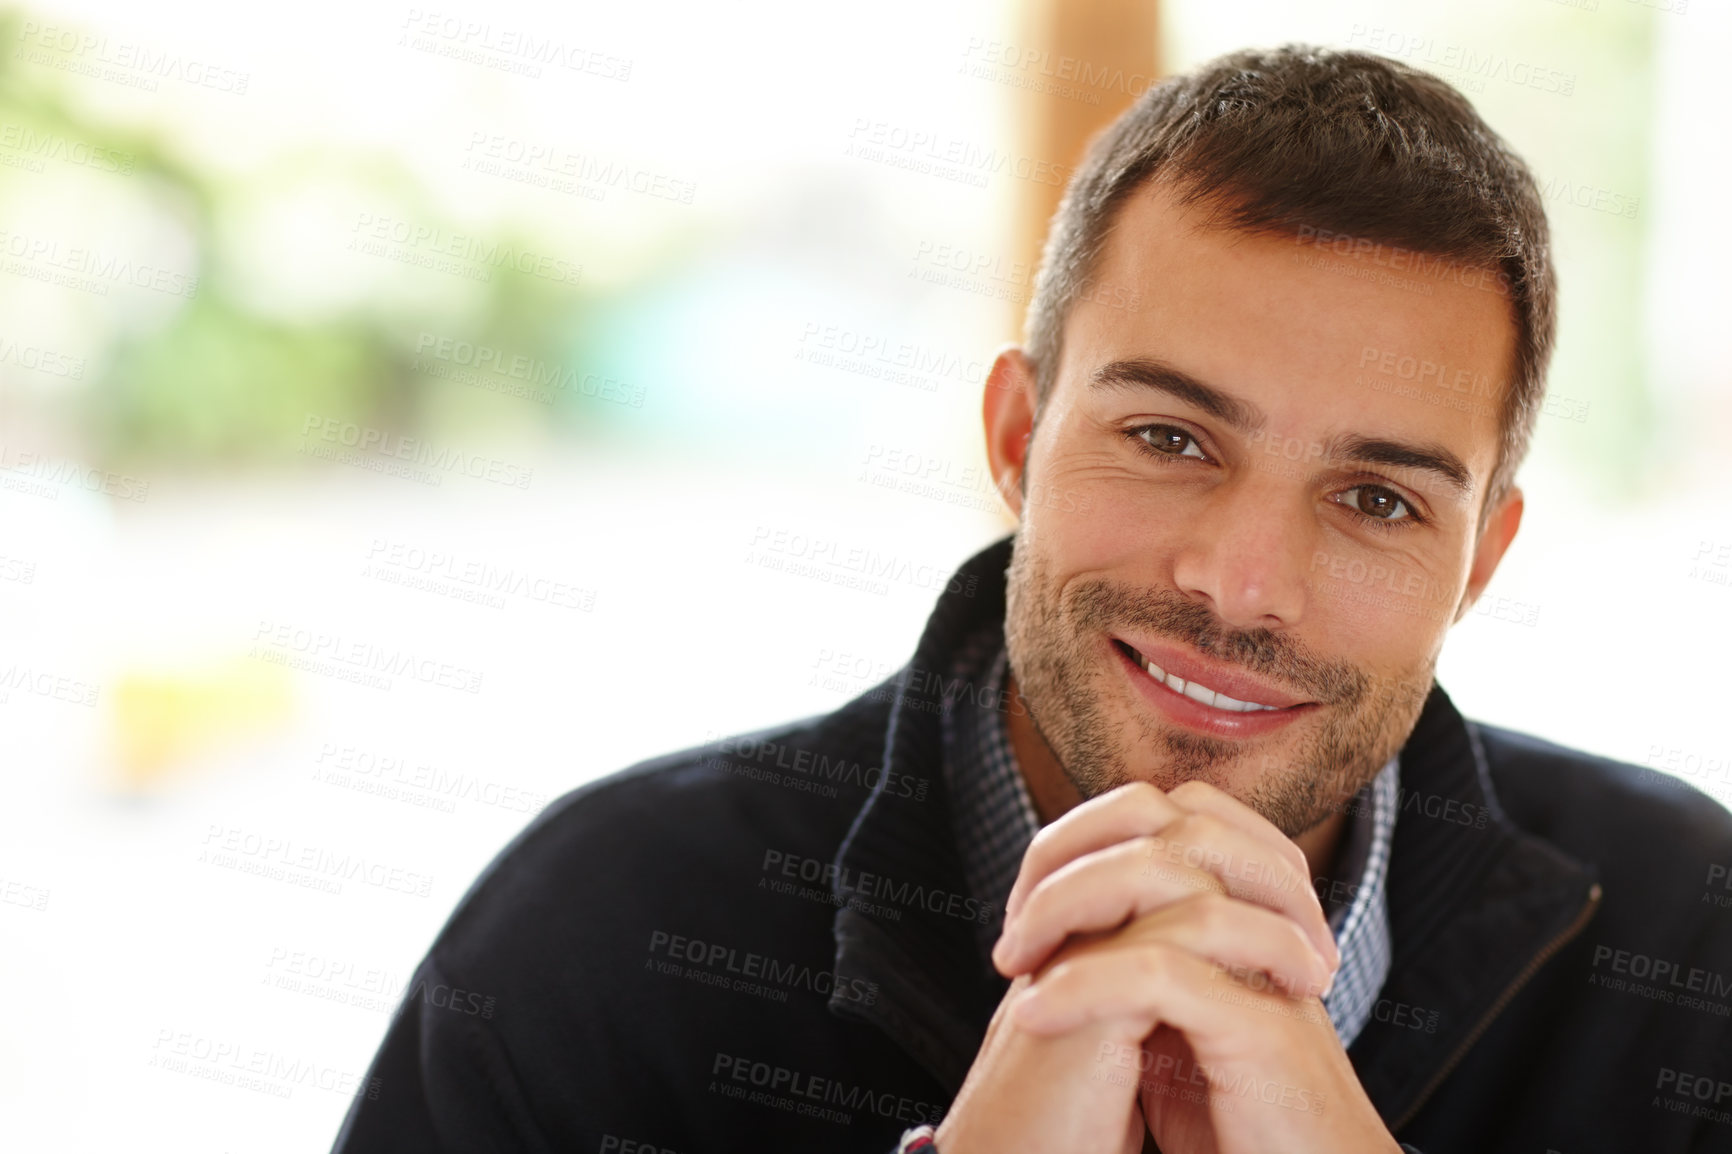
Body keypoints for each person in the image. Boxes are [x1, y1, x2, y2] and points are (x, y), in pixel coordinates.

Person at [331, 45, 1732, 1153]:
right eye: (1172, 438)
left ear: (1479, 559)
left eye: (1378, 500)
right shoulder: (596, 936)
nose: (1242, 584)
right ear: (1017, 438)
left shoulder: (1695, 937)